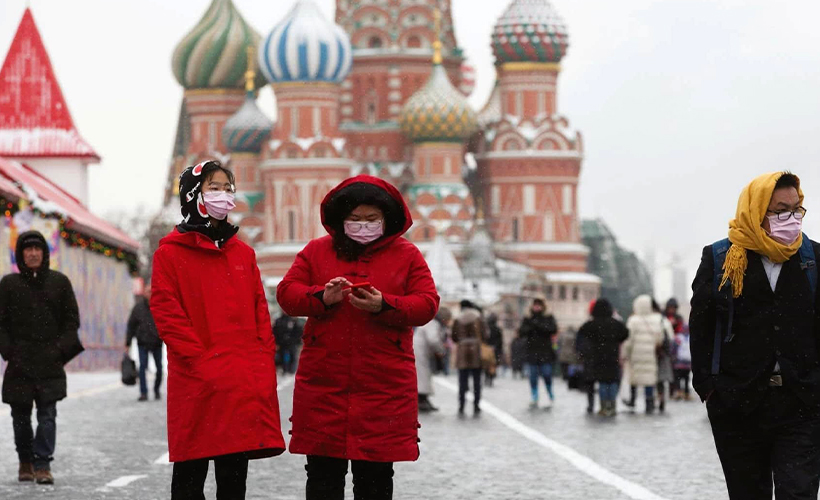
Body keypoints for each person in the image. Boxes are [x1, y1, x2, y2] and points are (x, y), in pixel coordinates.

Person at [276, 175, 439, 500]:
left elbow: (427, 303)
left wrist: (385, 304)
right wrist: (321, 297)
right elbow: (287, 294)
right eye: (355, 219)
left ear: (386, 220)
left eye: (371, 219)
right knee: (323, 477)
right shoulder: (316, 251)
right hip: (325, 384)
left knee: (376, 478)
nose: (363, 226)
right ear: (341, 220)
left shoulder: (407, 255)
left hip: (383, 385)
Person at [151, 161, 285, 499]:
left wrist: (262, 357)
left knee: (233, 477)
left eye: (228, 188)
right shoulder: (170, 254)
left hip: (239, 378)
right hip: (197, 379)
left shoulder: (243, 253)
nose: (224, 195)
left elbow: (259, 311)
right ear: (194, 194)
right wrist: (201, 360)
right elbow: (167, 313)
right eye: (214, 187)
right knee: (189, 476)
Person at [690, 171, 820, 499]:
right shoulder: (721, 259)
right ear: (756, 210)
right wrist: (709, 388)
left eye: (796, 209)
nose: (790, 219)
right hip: (738, 404)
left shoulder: (814, 259)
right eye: (779, 210)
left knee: (799, 492)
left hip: (802, 403)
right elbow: (702, 328)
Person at [0, 230, 83, 484]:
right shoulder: (8, 285)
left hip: (50, 363)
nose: (33, 253)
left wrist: (58, 351)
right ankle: (25, 461)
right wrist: (9, 351)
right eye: (28, 249)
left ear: (45, 253)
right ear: (21, 254)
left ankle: (43, 463)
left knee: (47, 416)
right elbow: (0, 323)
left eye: (38, 249)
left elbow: (72, 323)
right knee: (20, 418)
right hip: (19, 364)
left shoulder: (59, 282)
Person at [577, 299, 629, 417]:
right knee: (613, 381)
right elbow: (625, 333)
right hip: (613, 356)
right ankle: (612, 405)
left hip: (598, 357)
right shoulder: (615, 324)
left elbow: (582, 333)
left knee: (603, 382)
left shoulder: (592, 324)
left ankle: (604, 406)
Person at [621, 295, 664, 414]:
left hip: (636, 355)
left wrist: (626, 354)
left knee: (633, 378)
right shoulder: (656, 319)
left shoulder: (633, 320)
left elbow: (628, 340)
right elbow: (660, 338)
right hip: (650, 355)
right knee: (649, 379)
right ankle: (649, 402)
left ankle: (632, 399)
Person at [125, 283, 163, 401]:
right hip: (143, 342)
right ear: (144, 293)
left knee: (159, 369)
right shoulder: (138, 308)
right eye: (147, 291)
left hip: (157, 343)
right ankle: (143, 392)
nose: (150, 293)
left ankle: (156, 390)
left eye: (151, 291)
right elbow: (131, 326)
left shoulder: (160, 306)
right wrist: (128, 343)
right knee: (142, 368)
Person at [519, 298, 558, 409]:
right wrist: (532, 325)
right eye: (535, 305)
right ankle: (534, 396)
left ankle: (550, 392)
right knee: (533, 376)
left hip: (545, 351)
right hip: (532, 351)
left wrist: (539, 325)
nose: (537, 307)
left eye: (539, 305)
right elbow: (522, 332)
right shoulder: (528, 318)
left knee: (547, 374)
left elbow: (553, 329)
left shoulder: (548, 318)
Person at [451, 300, 486, 416]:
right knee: (477, 381)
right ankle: (476, 405)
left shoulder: (458, 318)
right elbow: (485, 334)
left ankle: (461, 405)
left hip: (462, 351)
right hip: (476, 350)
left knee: (462, 381)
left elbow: (454, 336)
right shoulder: (478, 317)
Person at [415, 307, 450, 413]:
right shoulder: (433, 324)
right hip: (421, 351)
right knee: (423, 375)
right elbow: (433, 340)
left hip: (420, 350)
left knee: (423, 375)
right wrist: (441, 350)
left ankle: (423, 398)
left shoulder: (431, 322)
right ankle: (421, 399)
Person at [653, 299, 675, 413]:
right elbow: (671, 338)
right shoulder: (663, 320)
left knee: (652, 378)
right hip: (662, 353)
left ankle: (651, 400)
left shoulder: (650, 319)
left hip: (651, 353)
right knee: (661, 378)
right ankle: (661, 397)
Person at [672, 325, 692, 401]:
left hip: (678, 363)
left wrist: (673, 358)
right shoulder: (690, 338)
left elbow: (673, 349)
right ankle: (687, 394)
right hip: (687, 364)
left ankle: (679, 392)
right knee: (686, 379)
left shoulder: (678, 338)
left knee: (678, 379)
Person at [485, 313, 503, 386]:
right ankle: (491, 377)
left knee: (487, 364)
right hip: (494, 349)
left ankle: (488, 377)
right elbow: (500, 341)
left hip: (487, 349)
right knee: (492, 365)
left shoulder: (487, 328)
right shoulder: (497, 329)